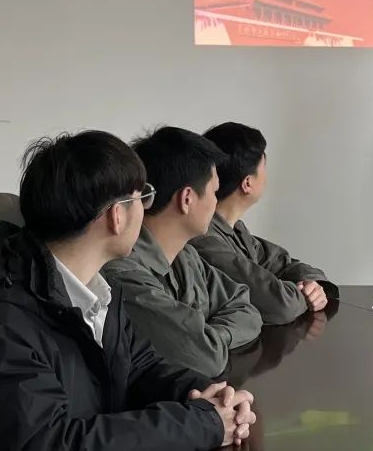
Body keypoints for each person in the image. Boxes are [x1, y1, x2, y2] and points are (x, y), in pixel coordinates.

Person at [0, 131, 256, 451]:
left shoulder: (98, 289)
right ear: (117, 216)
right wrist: (204, 424)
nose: (147, 210)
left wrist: (206, 394)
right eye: (142, 197)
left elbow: (140, 367)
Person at [103, 127, 262, 377]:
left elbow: (245, 306)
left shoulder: (186, 256)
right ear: (187, 199)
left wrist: (213, 335)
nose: (216, 203)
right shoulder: (123, 274)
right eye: (214, 192)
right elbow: (206, 357)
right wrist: (210, 337)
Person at [189, 122, 337, 325]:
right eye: (264, 167)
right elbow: (279, 305)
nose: (266, 176)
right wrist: (305, 294)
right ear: (247, 183)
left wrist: (313, 284)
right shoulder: (205, 240)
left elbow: (283, 264)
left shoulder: (236, 230)